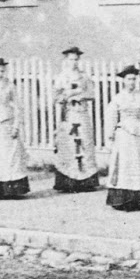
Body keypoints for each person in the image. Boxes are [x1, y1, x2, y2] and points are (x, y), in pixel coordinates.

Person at [106, 64, 140, 210]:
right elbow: (111, 118)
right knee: (125, 166)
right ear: (123, 80)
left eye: (134, 79)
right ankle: (124, 200)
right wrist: (110, 137)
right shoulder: (117, 98)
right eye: (129, 79)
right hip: (124, 136)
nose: (131, 82)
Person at [51, 47, 99, 193]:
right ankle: (68, 181)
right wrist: (65, 97)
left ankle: (86, 180)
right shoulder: (62, 76)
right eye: (70, 59)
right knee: (70, 144)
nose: (73, 62)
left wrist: (81, 95)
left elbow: (92, 93)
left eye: (76, 59)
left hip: (81, 113)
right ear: (66, 60)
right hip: (69, 114)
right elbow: (55, 96)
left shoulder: (84, 76)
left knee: (84, 142)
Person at [0, 56, 31, 200]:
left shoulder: (10, 86)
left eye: (2, 71)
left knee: (11, 154)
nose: (0, 73)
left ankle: (14, 188)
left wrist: (16, 125)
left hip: (7, 123)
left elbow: (18, 106)